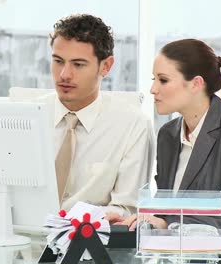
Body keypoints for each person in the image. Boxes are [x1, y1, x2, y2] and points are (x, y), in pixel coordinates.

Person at [119, 39, 221, 263]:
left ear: (195, 84)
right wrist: (141, 219)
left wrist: (172, 228)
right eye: (155, 80)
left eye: (163, 80)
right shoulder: (168, 135)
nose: (153, 89)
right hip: (182, 256)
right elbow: (167, 210)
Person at [48, 14, 154, 218]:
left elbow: (127, 209)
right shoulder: (26, 117)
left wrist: (77, 219)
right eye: (58, 61)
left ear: (105, 66)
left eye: (78, 64)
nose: (64, 75)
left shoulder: (133, 125)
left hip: (91, 242)